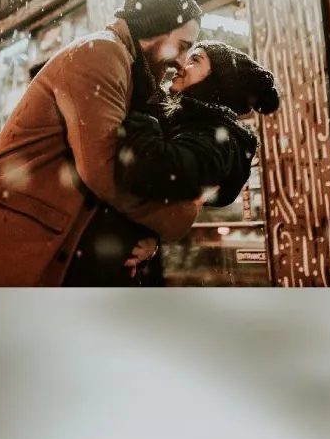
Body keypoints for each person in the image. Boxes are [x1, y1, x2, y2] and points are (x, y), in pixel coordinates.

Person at [0, 0, 202, 286]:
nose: (182, 61)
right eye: (182, 46)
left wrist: (148, 236)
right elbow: (103, 170)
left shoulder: (128, 70)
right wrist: (177, 216)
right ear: (156, 28)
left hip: (17, 251)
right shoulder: (103, 53)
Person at [65, 40, 280, 286]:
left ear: (216, 83)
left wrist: (142, 103)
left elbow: (152, 171)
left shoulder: (217, 139)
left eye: (194, 60)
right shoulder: (187, 125)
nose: (181, 64)